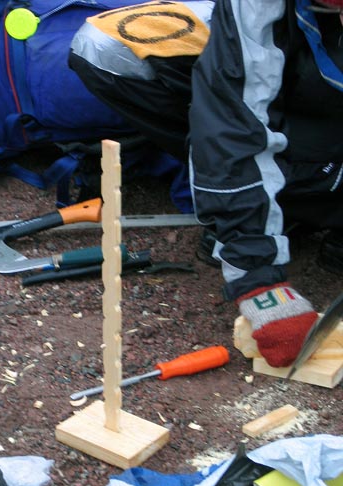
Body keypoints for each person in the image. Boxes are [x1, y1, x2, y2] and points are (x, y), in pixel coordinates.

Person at [69, 0, 343, 368]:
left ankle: (315, 195)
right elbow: (233, 115)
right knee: (105, 48)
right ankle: (275, 200)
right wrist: (259, 279)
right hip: (302, 65)